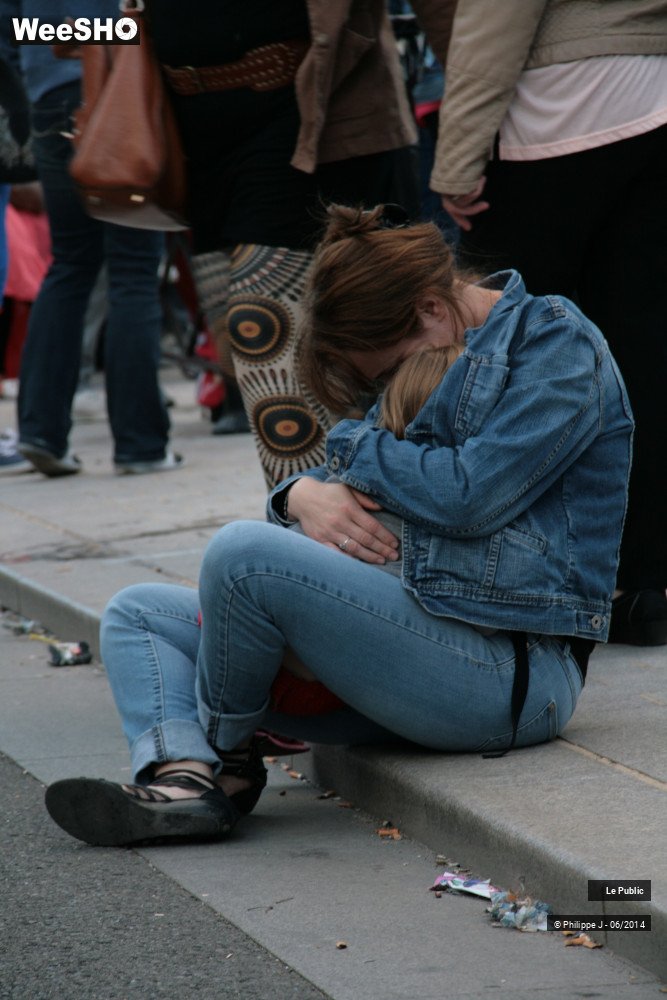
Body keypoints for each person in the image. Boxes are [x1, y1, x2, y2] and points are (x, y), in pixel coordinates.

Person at [43, 204, 632, 847]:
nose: (387, 387)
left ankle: (224, 760)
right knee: (136, 612)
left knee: (241, 556)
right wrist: (297, 495)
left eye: (387, 369)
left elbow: (469, 497)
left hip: (510, 676)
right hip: (405, 643)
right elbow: (334, 484)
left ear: (431, 308)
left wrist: (350, 446)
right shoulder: (432, 338)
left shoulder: (556, 345)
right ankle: (183, 776)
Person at [427, 0, 667, 644]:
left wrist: (456, 160)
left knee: (506, 345)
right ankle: (647, 584)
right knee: (645, 345)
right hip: (654, 92)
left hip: (558, 109)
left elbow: (496, 18)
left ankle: (515, 582)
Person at [145, 0, 457, 487]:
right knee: (244, 346)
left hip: (315, 110)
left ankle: (309, 522)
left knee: (261, 327)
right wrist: (89, 37)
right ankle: (362, 498)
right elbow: (57, 28)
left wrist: (472, 118)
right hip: (192, 130)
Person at [0, 0, 181, 476]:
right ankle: (141, 444)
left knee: (70, 263)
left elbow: (16, 27)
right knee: (134, 269)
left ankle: (40, 430)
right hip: (119, 88)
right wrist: (115, 34)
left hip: (47, 97)